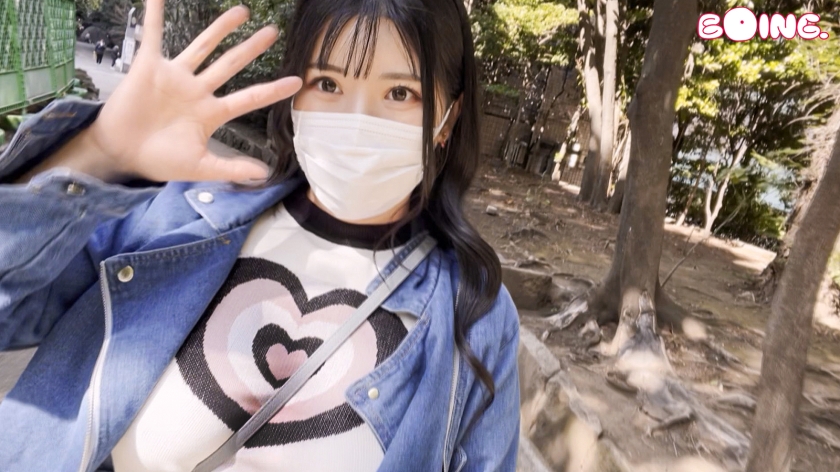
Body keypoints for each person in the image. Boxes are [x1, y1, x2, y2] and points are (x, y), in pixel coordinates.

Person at [0, 0, 520, 470]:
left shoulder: (475, 315)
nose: (358, 120)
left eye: (400, 93)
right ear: (293, 92)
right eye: (328, 84)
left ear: (448, 117)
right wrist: (99, 152)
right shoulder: (174, 217)